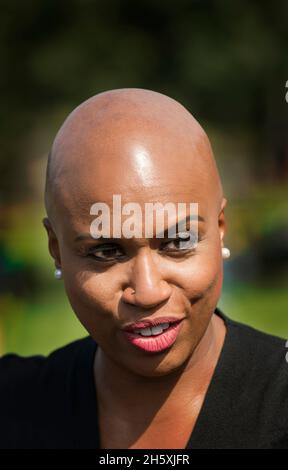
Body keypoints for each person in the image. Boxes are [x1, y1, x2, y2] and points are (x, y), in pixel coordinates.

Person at [0, 88, 287, 449]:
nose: (149, 292)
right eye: (106, 251)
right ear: (56, 250)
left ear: (220, 230)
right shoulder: (14, 409)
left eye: (178, 242)